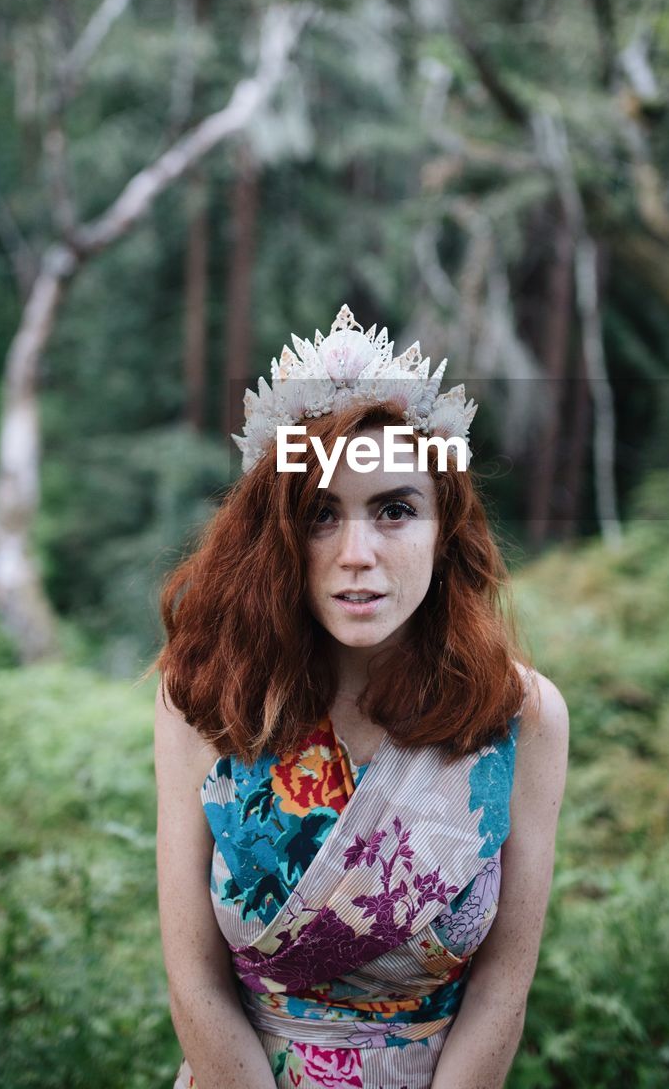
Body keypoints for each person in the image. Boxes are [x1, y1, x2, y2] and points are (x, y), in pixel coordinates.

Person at [147, 304, 569, 1089]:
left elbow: (503, 988)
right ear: (272, 535)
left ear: (445, 530)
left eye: (395, 510)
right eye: (319, 515)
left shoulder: (521, 717)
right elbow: (194, 979)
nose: (355, 555)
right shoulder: (204, 700)